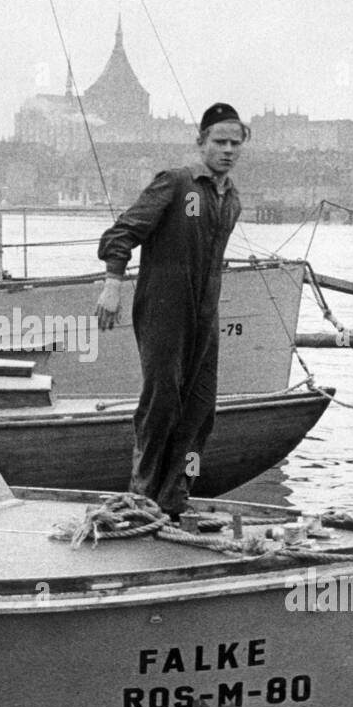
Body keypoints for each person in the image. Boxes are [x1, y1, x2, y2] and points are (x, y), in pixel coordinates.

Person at [94, 103, 249, 520]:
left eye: (236, 143)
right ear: (200, 143)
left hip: (204, 317)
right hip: (164, 309)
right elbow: (123, 232)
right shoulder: (177, 184)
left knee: (201, 411)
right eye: (219, 141)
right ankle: (142, 496)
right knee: (162, 402)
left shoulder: (231, 200)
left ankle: (175, 498)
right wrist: (113, 284)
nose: (228, 150)